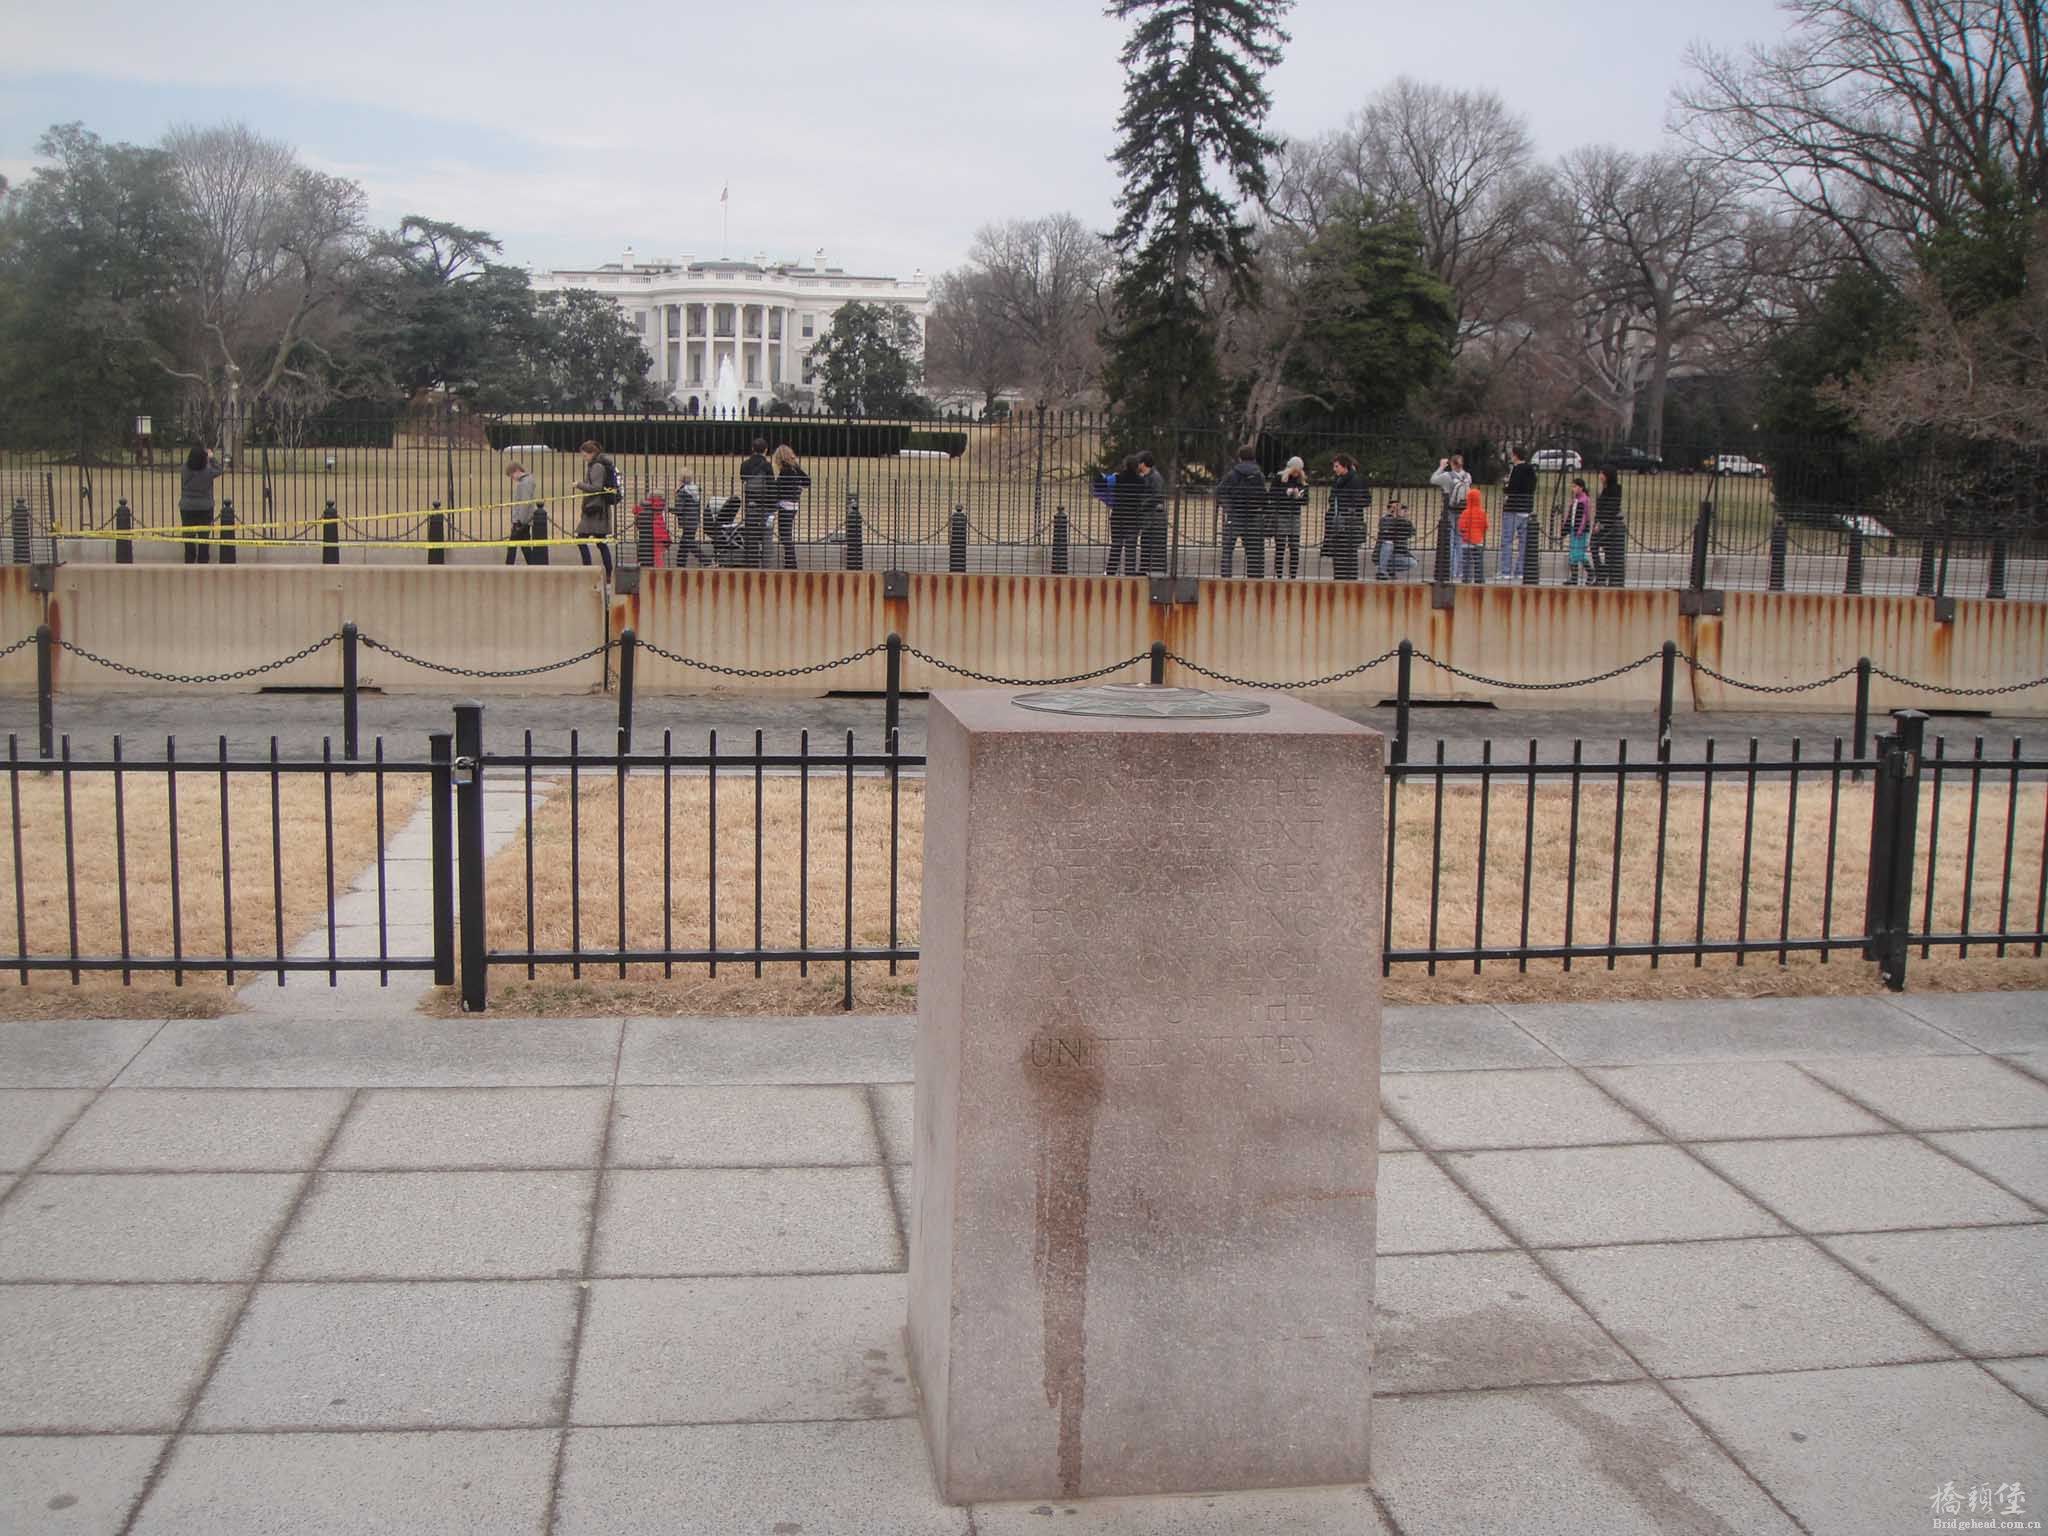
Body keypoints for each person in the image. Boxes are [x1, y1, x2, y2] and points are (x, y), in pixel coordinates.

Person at [1214, 445, 1267, 579]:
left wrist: (1228, 507)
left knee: (1227, 550)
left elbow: (1219, 491)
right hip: (1254, 515)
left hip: (1236, 514)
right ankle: (1255, 580)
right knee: (1255, 552)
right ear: (1253, 457)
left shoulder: (1233, 474)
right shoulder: (1259, 475)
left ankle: (1226, 578)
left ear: (1239, 458)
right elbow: (1263, 496)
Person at [575, 439, 618, 577]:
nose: (584, 458)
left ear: (592, 453)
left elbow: (596, 488)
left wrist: (579, 484)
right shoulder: (598, 465)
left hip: (595, 510)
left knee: (582, 539)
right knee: (600, 542)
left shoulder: (597, 466)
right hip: (598, 509)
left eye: (585, 455)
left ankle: (588, 569)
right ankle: (608, 572)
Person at [1326, 453, 1371, 580]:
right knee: (1339, 553)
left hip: (1350, 522)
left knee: (1349, 554)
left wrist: (1351, 504)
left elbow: (1366, 499)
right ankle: (1340, 577)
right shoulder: (1338, 480)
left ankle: (1350, 579)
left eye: (1336, 466)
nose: (1334, 469)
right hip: (1338, 521)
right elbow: (1332, 498)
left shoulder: (1356, 480)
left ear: (1344, 466)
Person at [178, 446, 225, 565]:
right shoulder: (208, 471)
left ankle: (189, 560)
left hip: (187, 506)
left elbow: (187, 464)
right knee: (204, 537)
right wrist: (211, 458)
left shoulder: (184, 469)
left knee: (188, 536)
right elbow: (219, 469)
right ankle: (203, 561)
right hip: (205, 507)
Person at [1428, 453, 1472, 576]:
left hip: (1450, 510)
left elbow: (1433, 480)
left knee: (1451, 542)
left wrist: (1441, 466)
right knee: (1460, 541)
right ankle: (1460, 572)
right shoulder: (1468, 476)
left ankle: (1452, 570)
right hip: (1463, 511)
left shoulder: (1447, 476)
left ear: (1452, 463)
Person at [771, 444, 810, 570]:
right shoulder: (795, 468)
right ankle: (790, 563)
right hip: (794, 505)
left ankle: (791, 564)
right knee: (786, 536)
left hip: (785, 506)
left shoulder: (785, 471)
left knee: (785, 536)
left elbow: (779, 489)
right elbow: (807, 481)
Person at [738, 436, 775, 568]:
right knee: (766, 534)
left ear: (752, 449)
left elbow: (743, 477)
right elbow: (771, 485)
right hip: (764, 503)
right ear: (766, 450)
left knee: (751, 534)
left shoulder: (745, 464)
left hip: (750, 503)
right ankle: (765, 564)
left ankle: (750, 562)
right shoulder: (767, 465)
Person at [1501, 445, 1536, 581]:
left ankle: (1506, 571)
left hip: (1513, 508)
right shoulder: (1531, 470)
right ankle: (1520, 570)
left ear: (1515, 455)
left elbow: (1512, 488)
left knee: (1507, 540)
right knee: (1523, 542)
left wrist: (1506, 486)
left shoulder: (1516, 469)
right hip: (1526, 508)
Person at [1269, 456, 1308, 579]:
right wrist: (1286, 493)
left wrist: (1298, 496)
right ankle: (1279, 575)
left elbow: (1306, 500)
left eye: (1299, 471)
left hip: (1294, 515)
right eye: (1294, 470)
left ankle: (1293, 576)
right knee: (1280, 546)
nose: (1296, 473)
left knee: (1294, 548)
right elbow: (1271, 495)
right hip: (1281, 514)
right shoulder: (1279, 478)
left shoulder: (1302, 481)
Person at [504, 461, 548, 566]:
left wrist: (520, 521)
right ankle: (532, 565)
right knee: (524, 545)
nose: (512, 478)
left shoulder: (524, 483)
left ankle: (508, 566)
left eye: (511, 475)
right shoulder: (526, 482)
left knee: (512, 545)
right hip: (524, 520)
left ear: (517, 471)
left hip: (521, 520)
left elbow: (525, 503)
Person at [1104, 455, 1142, 575]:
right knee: (1131, 547)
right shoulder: (1140, 480)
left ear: (1125, 465)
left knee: (1116, 544)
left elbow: (1104, 485)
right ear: (1137, 466)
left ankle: (1110, 572)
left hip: (1118, 515)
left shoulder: (1117, 478)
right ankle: (1129, 573)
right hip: (1133, 517)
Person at [1134, 450, 1168, 574]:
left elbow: (1158, 495)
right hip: (1146, 516)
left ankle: (1146, 569)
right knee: (1145, 543)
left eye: (1138, 463)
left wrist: (1143, 503)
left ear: (1143, 464)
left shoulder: (1155, 477)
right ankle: (1144, 569)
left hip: (1152, 517)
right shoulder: (1146, 477)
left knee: (1149, 543)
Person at [1593, 467, 1626, 587]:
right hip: (1600, 524)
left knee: (1608, 551)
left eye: (1602, 473)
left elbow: (1611, 508)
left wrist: (1600, 522)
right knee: (1594, 546)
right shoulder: (1604, 489)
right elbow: (1600, 509)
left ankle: (1604, 574)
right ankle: (1601, 572)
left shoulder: (1615, 489)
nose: (1600, 475)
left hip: (1609, 526)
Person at [672, 472, 710, 567]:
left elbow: (679, 510)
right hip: (694, 520)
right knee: (684, 543)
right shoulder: (695, 490)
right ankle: (680, 564)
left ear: (681, 480)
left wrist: (668, 509)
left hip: (687, 521)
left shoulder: (682, 492)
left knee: (689, 543)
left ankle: (706, 561)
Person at [1374, 500, 1417, 580]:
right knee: (1388, 542)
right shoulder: (1384, 520)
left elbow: (1412, 533)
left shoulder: (1405, 521)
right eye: (1393, 507)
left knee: (1413, 563)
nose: (1395, 509)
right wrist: (1394, 516)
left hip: (1398, 554)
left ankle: (1389, 568)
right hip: (1383, 554)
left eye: (1398, 508)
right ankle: (1381, 571)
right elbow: (1385, 530)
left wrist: (1401, 518)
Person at [1563, 477, 1593, 586]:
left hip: (1580, 531)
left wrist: (1580, 529)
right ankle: (1574, 578)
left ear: (1581, 487)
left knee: (1578, 554)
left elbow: (1586, 516)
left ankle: (1591, 573)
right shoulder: (1575, 500)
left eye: (1575, 486)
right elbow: (1571, 514)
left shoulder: (1585, 500)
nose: (1573, 489)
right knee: (1572, 554)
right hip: (1573, 529)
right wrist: (1565, 528)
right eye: (1573, 486)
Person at [1458, 485, 1489, 583]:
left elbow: (1461, 527)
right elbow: (1486, 526)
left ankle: (1466, 578)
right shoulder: (1482, 513)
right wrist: (1481, 534)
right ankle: (1479, 579)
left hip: (1466, 541)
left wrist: (1465, 535)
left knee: (1467, 561)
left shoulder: (1465, 513)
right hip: (1478, 540)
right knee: (1478, 561)